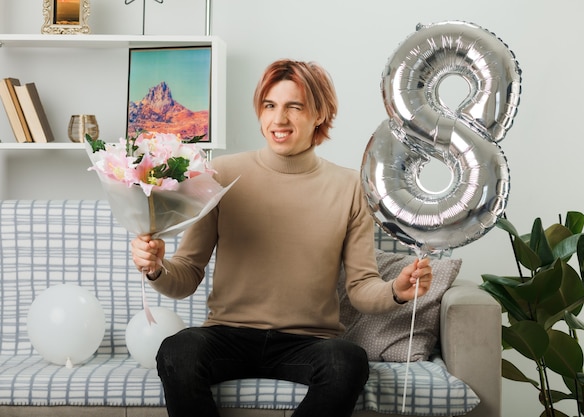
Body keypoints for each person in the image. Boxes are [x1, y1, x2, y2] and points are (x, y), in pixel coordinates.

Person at [130, 59, 433, 417]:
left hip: (309, 343)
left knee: (348, 361)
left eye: (294, 107)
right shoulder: (221, 174)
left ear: (319, 113)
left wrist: (396, 292)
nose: (278, 120)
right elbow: (187, 274)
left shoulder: (351, 187)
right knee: (177, 350)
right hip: (228, 335)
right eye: (270, 106)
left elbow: (362, 286)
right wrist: (156, 268)